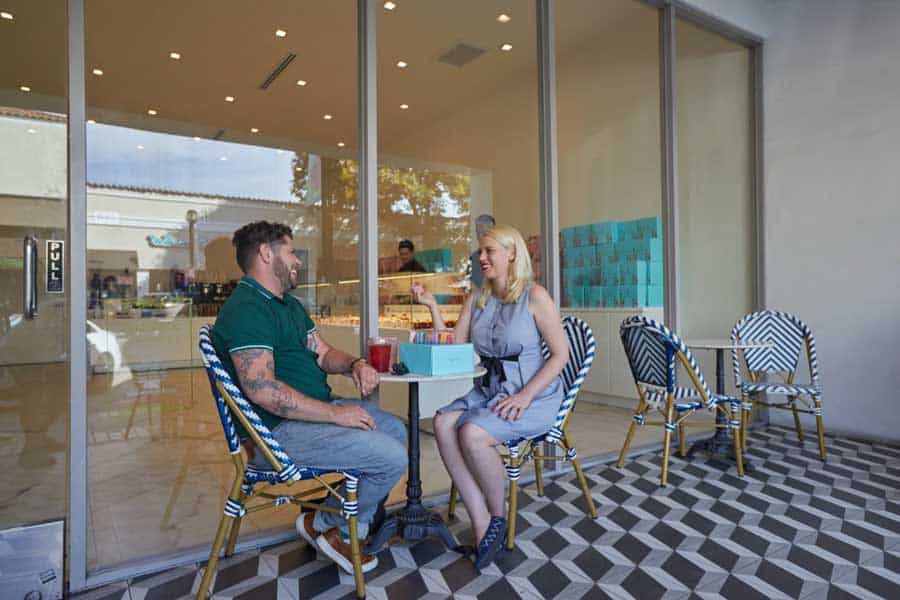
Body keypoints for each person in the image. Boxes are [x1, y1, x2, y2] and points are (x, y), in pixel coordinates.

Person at [212, 221, 407, 575]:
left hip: (308, 417)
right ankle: (338, 529)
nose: (298, 261)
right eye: (291, 251)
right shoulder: (247, 309)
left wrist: (355, 364)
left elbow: (322, 352)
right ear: (266, 254)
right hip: (275, 434)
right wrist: (336, 415)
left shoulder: (288, 305)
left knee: (396, 431)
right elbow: (262, 391)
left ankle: (327, 522)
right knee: (391, 456)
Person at [411, 224, 568, 569]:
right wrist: (431, 307)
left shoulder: (535, 295)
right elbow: (454, 345)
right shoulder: (477, 298)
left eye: (489, 251)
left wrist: (526, 396)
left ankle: (498, 516)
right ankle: (481, 519)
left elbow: (561, 355)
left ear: (511, 253)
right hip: (490, 393)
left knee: (471, 432)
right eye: (480, 252)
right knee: (442, 422)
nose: (481, 258)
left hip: (533, 398)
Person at [469, 214, 495, 288]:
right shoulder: (473, 257)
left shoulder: (499, 255)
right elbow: (467, 279)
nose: (480, 237)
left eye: (483, 232)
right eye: (478, 232)